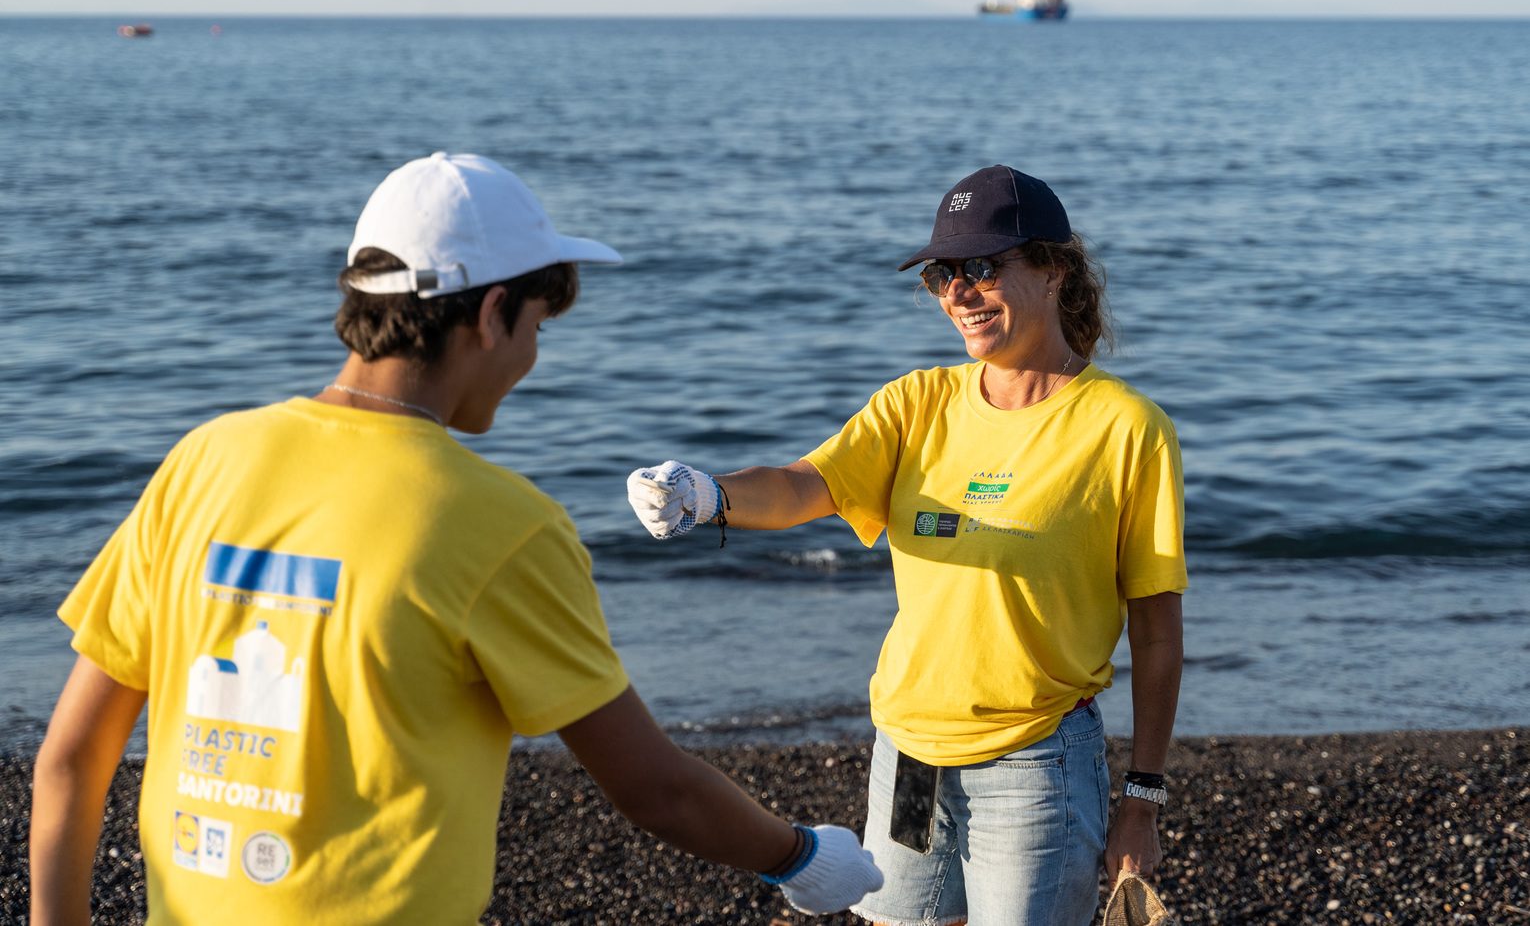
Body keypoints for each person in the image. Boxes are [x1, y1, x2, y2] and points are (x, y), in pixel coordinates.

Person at [29, 152, 882, 925]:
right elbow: (655, 790)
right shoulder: (500, 523)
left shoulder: (204, 460)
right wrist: (800, 858)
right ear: (492, 312)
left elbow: (70, 759)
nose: (532, 360)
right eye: (539, 328)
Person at [627, 165, 1186, 926]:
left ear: (1055, 270)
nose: (959, 291)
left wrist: (1142, 800)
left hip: (1034, 765)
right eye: (941, 274)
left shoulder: (1126, 429)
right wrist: (708, 494)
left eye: (983, 267)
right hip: (910, 755)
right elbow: (802, 486)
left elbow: (1155, 633)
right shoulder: (915, 404)